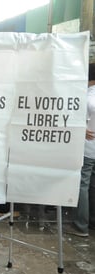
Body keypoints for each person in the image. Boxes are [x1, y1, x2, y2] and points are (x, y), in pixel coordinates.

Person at [65, 63, 95, 237]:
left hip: (87, 146)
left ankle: (80, 224)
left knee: (83, 183)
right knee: (93, 184)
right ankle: (92, 222)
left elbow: (75, 120)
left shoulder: (86, 96)